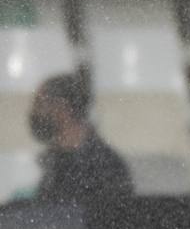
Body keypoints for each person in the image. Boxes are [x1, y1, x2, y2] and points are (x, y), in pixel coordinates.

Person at [29, 73, 133, 206]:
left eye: (40, 102)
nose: (35, 112)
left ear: (62, 106)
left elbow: (115, 219)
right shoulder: (55, 160)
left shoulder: (104, 164)